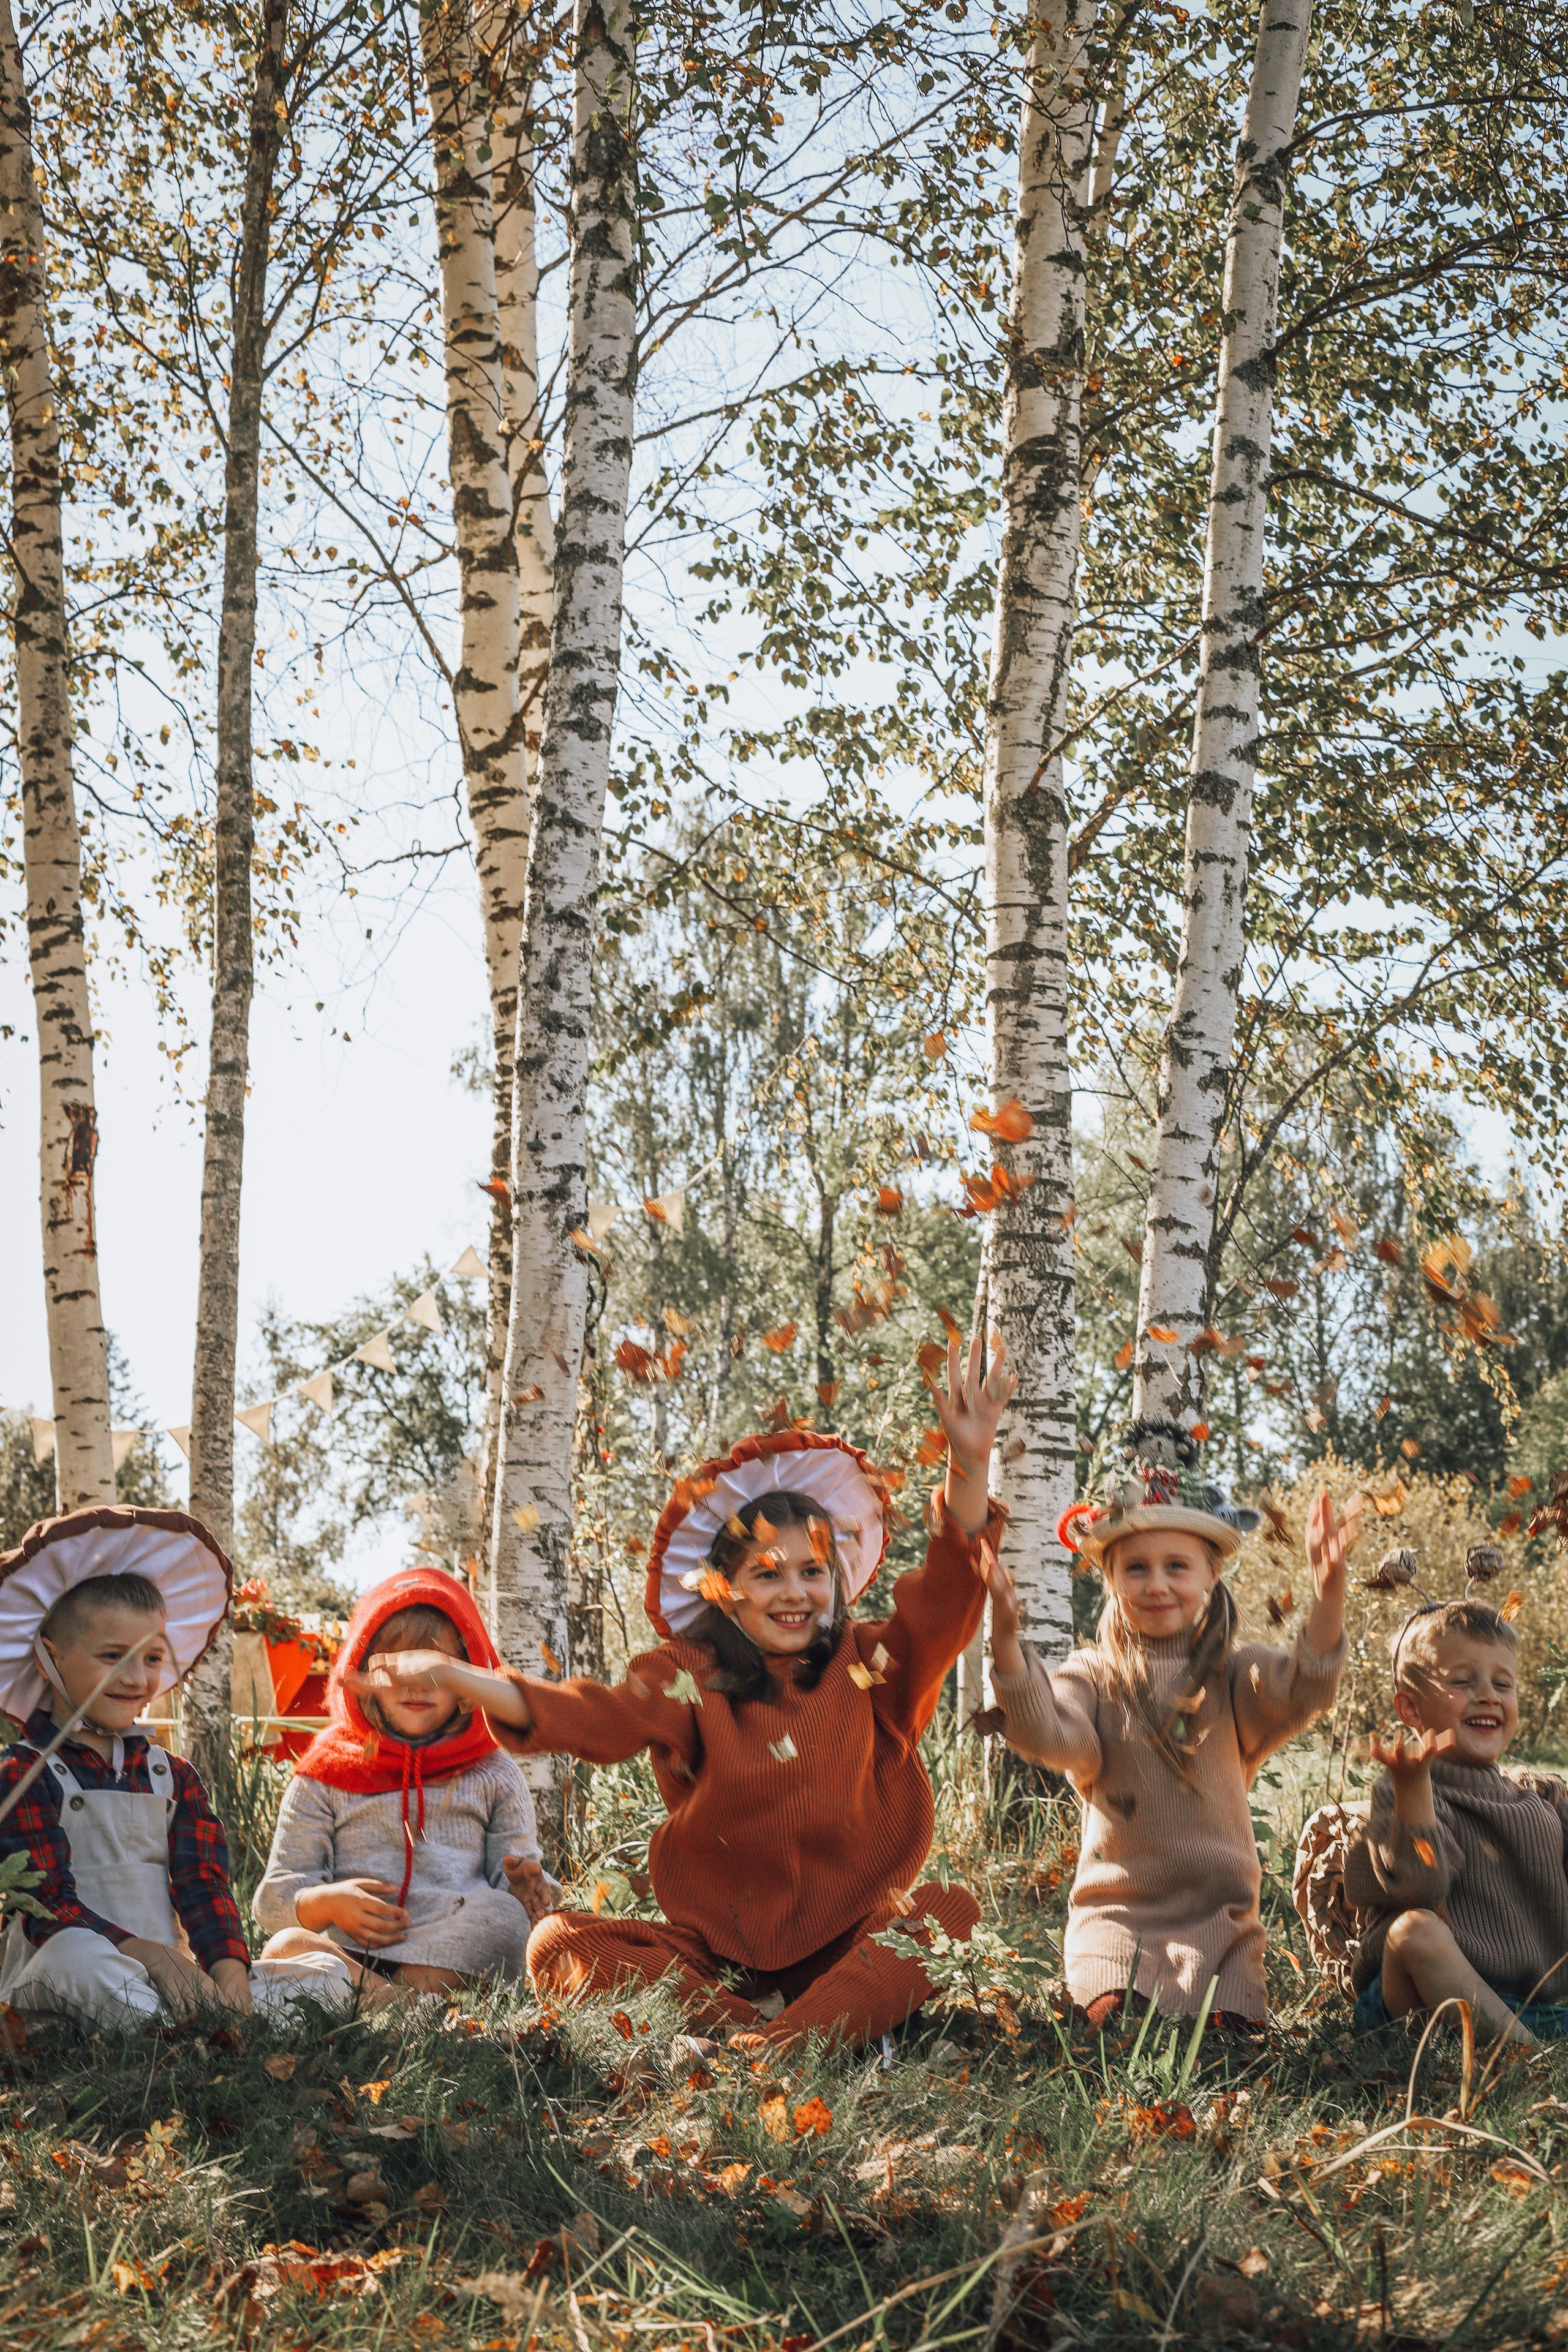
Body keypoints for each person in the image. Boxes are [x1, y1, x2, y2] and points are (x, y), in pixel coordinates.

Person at [347, 1335, 1012, 2054]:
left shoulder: (872, 1663)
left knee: (950, 1910)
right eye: (767, 1574)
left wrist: (968, 1463)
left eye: (813, 1571)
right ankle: (775, 2031)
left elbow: (947, 1599)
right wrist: (460, 1679)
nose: (794, 1592)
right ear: (726, 1592)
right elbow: (595, 1717)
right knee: (555, 1942)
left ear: (837, 1581)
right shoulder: (694, 1673)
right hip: (719, 1960)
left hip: (852, 1938)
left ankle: (777, 2049)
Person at [987, 1421, 1349, 2027]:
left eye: (1176, 1566)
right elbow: (1048, 1731)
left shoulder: (1235, 1675)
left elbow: (1302, 1689)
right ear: (1111, 1579)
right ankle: (1113, 1999)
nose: (1156, 1585)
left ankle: (1224, 2010)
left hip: (1222, 1922)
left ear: (1211, 1575)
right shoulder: (1094, 1676)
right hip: (1116, 1921)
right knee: (1116, 2023)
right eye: (1136, 1569)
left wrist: (1328, 1597)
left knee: (1231, 2040)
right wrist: (1005, 1643)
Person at [0, 1506, 356, 2031]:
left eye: (151, 1658)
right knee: (73, 1954)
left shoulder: (173, 1775)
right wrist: (154, 1956)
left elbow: (203, 1885)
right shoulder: (24, 1771)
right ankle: (178, 2026)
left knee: (329, 1975)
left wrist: (230, 1976)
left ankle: (190, 2022)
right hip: (74, 1968)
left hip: (173, 1979)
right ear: (48, 1659)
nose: (136, 1678)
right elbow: (47, 1906)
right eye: (113, 1656)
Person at [255, 1569, 557, 1995]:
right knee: (286, 1946)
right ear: (362, 1674)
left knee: (504, 1919)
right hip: (351, 1950)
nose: (416, 1687)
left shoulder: (493, 1773)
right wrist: (330, 1904)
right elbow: (274, 1901)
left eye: (436, 1671)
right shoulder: (325, 1772)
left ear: (469, 1682)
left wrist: (527, 1888)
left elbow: (515, 1880)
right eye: (395, 1669)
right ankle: (401, 2001)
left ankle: (381, 2001)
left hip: (451, 1946)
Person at [1344, 1599, 1568, 2049]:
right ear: (1411, 1709)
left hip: (1532, 2008)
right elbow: (1419, 1887)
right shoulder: (1403, 1794)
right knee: (1415, 1931)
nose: (1488, 1695)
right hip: (1421, 1998)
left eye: (1503, 1683)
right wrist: (1414, 1796)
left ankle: (1518, 2037)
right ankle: (1525, 2056)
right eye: (1462, 1682)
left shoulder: (1542, 1798)